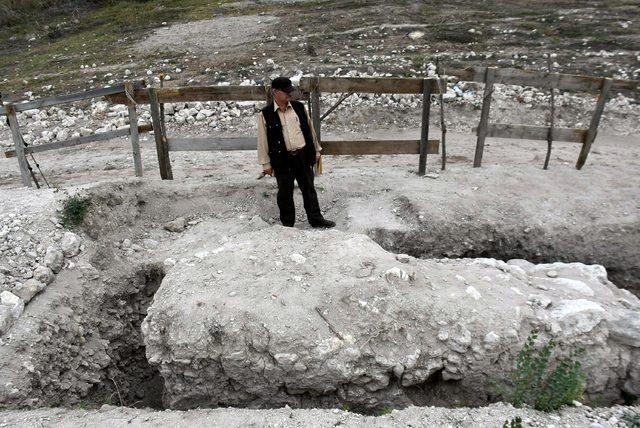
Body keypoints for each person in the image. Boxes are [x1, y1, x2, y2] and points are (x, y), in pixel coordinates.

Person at [257, 76, 335, 228]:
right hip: (282, 160)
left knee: (309, 189)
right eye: (286, 92)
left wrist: (316, 150)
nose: (289, 94)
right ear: (275, 92)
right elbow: (262, 140)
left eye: (290, 91)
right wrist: (265, 163)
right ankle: (287, 225)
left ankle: (316, 219)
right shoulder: (265, 114)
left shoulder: (299, 107)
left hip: (302, 156)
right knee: (284, 193)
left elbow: (309, 130)